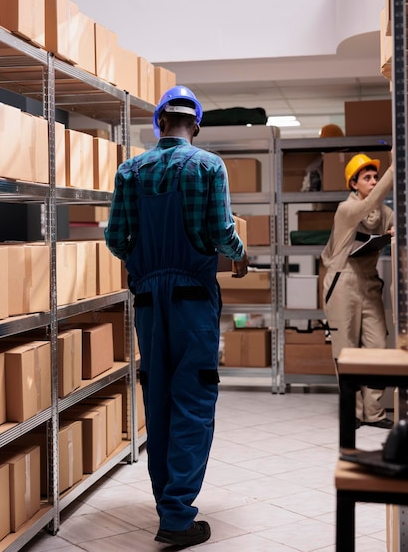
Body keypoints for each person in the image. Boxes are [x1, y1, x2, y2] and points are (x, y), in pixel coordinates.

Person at [105, 85, 248, 547]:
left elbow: (116, 239)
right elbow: (221, 231)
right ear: (196, 125)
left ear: (160, 123)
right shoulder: (209, 166)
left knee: (159, 396)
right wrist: (241, 256)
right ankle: (176, 515)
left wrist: (141, 262)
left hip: (148, 299)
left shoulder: (130, 170)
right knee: (193, 397)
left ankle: (167, 502)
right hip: (191, 297)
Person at [321, 152, 394, 430]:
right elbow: (369, 204)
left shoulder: (383, 213)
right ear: (354, 183)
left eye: (376, 176)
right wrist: (393, 168)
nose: (374, 181)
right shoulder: (345, 209)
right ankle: (353, 412)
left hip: (369, 282)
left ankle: (373, 413)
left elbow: (395, 220)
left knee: (376, 348)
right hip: (342, 282)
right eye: (367, 177)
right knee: (347, 351)